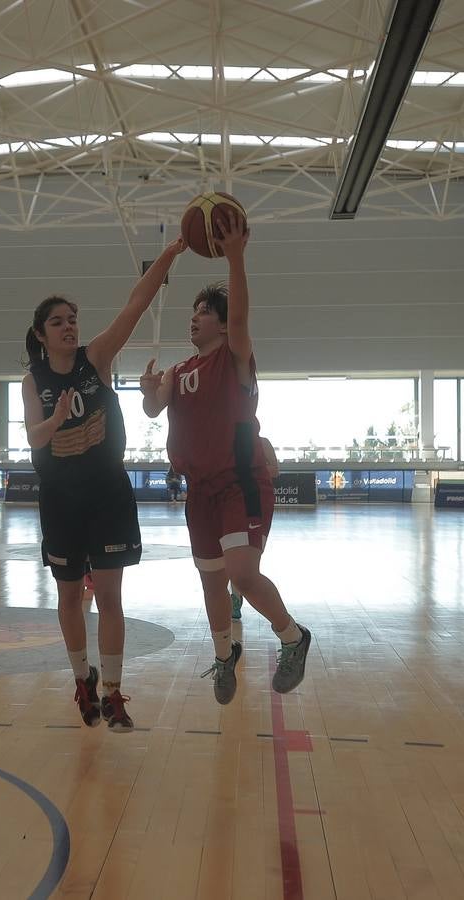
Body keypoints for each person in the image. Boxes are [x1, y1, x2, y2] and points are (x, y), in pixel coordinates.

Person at [141, 215, 311, 706]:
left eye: (203, 312)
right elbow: (155, 408)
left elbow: (240, 319)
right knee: (212, 581)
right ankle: (223, 656)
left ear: (220, 320)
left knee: (241, 573)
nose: (194, 318)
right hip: (200, 491)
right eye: (192, 312)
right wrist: (148, 393)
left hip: (240, 480)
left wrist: (235, 255)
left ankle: (293, 637)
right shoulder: (178, 369)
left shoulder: (234, 356)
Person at [23, 236, 187, 731]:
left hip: (107, 494)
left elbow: (136, 304)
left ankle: (114, 693)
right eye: (58, 321)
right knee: (70, 597)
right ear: (41, 333)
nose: (69, 326)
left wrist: (171, 254)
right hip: (60, 500)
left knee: (112, 597)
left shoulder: (96, 359)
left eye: (72, 319)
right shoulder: (34, 381)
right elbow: (34, 439)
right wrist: (55, 419)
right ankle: (82, 680)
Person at [230, 437, 278, 621]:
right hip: (228, 502)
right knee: (227, 556)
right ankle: (235, 597)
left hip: (253, 503)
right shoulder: (223, 440)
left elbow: (275, 470)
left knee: (243, 559)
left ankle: (237, 596)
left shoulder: (263, 443)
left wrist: (249, 470)